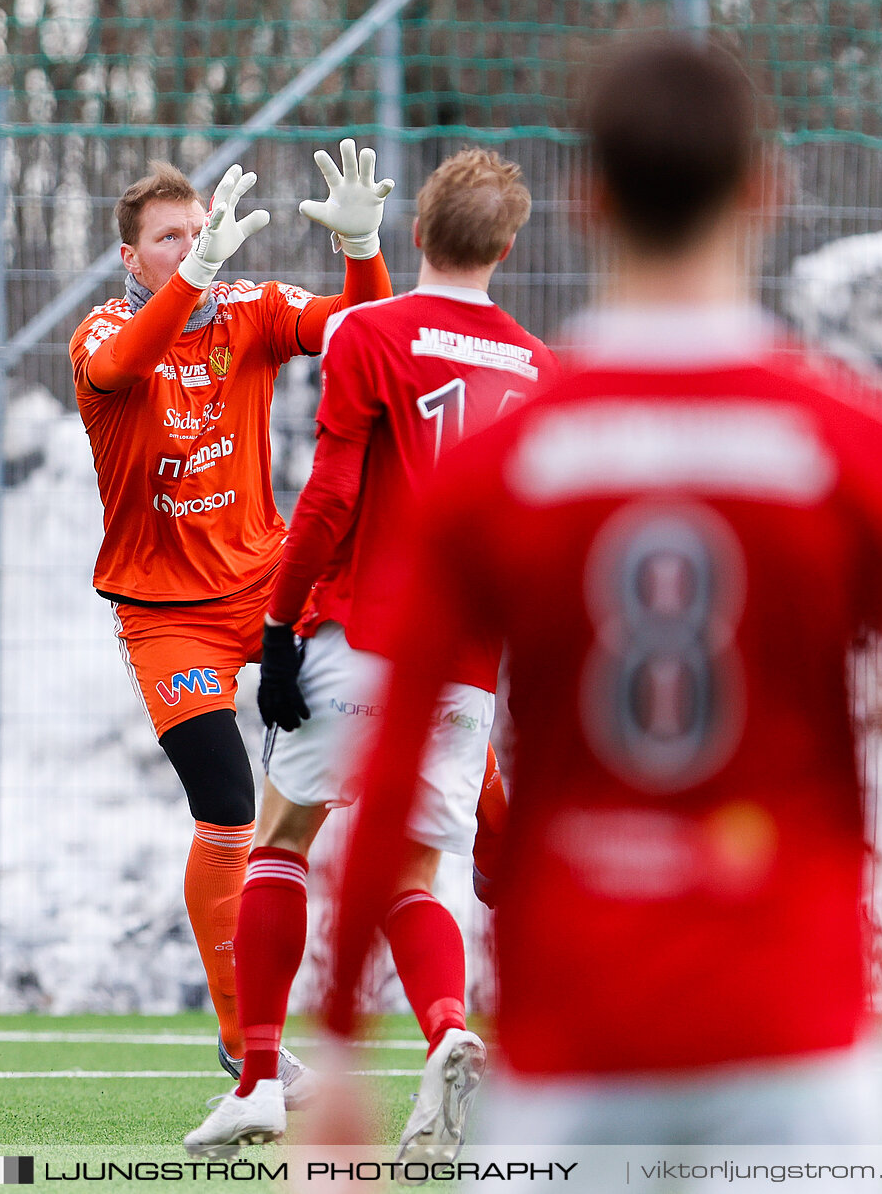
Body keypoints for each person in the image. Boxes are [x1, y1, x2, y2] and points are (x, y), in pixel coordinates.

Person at [309, 35, 882, 1159]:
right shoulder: (860, 442)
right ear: (765, 193)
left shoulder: (506, 459)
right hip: (796, 1023)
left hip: (578, 1017)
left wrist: (341, 1041)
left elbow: (389, 775)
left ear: (586, 203)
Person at [182, 148, 556, 1158]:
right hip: (464, 668)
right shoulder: (538, 367)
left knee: (283, 840)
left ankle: (259, 1078)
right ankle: (446, 1029)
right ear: (509, 246)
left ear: (419, 233)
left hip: (360, 633)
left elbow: (333, 495)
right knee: (409, 872)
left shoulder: (377, 334)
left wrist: (277, 623)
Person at [70, 143, 393, 1088]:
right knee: (225, 816)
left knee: (384, 719)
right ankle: (240, 1030)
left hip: (264, 588)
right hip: (166, 615)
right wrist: (195, 277)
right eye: (169, 237)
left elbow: (359, 330)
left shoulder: (250, 310)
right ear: (133, 259)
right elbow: (129, 361)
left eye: (198, 228)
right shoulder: (99, 336)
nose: (190, 244)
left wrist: (364, 248)